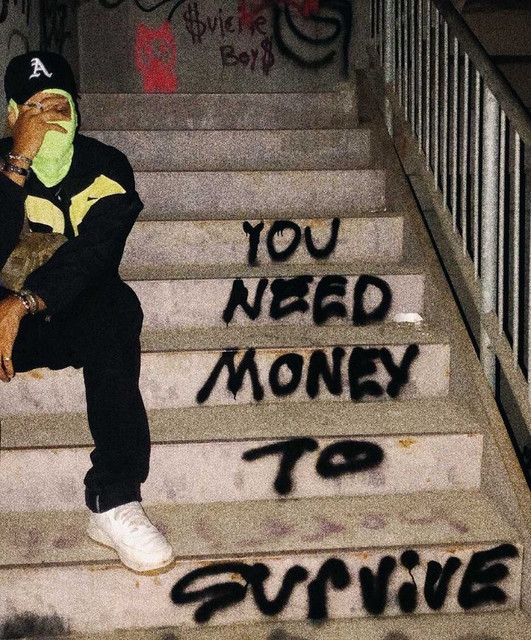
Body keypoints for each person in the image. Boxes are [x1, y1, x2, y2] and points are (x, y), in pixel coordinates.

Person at [0, 51, 174, 573]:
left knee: (116, 307)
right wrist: (16, 165)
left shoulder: (107, 166)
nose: (48, 120)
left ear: (76, 110)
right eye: (34, 109)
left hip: (60, 315)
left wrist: (23, 302)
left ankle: (113, 499)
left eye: (59, 107)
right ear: (13, 116)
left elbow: (96, 254)